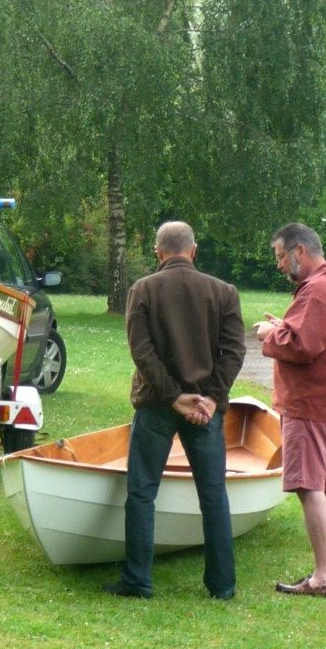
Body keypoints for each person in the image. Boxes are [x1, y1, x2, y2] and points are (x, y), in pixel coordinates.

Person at [104, 221, 246, 600]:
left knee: (141, 493)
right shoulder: (224, 292)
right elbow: (234, 352)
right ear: (194, 251)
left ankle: (137, 580)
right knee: (213, 495)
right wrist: (212, 398)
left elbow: (142, 351)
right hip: (205, 409)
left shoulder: (144, 289)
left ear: (158, 253)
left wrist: (171, 396)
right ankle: (222, 585)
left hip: (157, 406)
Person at [254, 223, 326, 598]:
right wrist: (286, 327)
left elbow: (305, 346)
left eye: (282, 257)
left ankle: (322, 577)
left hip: (310, 403)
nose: (281, 266)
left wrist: (271, 335)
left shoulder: (317, 289)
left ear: (300, 251)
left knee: (309, 486)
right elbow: (322, 338)